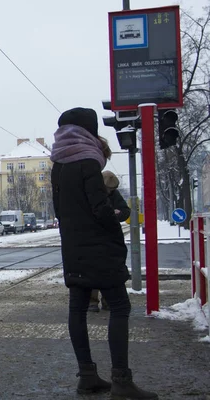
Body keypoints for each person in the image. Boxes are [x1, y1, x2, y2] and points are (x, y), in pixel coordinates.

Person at [51, 107, 157, 399]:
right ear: (87, 129)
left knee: (78, 309)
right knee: (120, 307)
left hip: (73, 248)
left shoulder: (58, 164)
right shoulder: (87, 161)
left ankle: (87, 377)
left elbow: (60, 211)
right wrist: (113, 223)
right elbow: (100, 210)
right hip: (99, 248)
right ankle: (122, 381)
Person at [90, 170, 131, 312]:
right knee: (94, 270)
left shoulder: (113, 195)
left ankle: (106, 301)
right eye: (109, 189)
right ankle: (93, 302)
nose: (110, 192)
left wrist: (117, 214)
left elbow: (126, 211)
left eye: (112, 190)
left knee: (106, 270)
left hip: (106, 237)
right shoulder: (91, 192)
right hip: (96, 237)